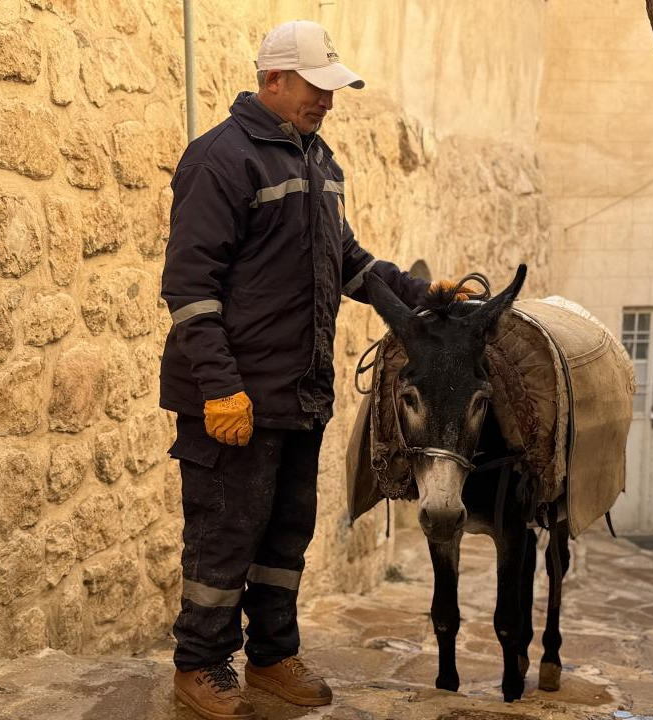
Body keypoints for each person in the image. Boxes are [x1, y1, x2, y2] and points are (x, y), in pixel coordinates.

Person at [159, 20, 469, 720]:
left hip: (298, 395)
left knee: (284, 536)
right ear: (273, 81)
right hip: (233, 398)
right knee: (225, 534)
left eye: (333, 89)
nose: (328, 100)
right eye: (316, 87)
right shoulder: (221, 159)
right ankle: (201, 665)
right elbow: (189, 287)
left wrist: (425, 296)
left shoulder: (319, 164)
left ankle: (271, 655)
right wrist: (219, 387)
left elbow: (351, 264)